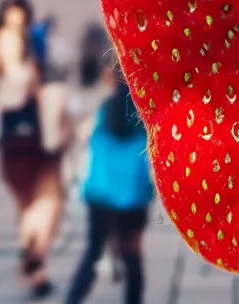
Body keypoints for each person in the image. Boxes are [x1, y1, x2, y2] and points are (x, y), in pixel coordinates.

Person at [0, 0, 63, 299]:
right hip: (30, 134)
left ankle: (34, 262)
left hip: (15, 135)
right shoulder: (21, 43)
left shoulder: (22, 40)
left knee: (27, 204)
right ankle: (36, 264)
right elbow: (19, 78)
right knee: (43, 202)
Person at [65, 64, 154, 304]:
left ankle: (72, 299)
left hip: (101, 194)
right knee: (132, 255)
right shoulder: (145, 115)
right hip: (133, 196)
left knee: (93, 251)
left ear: (110, 78)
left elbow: (84, 138)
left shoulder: (103, 110)